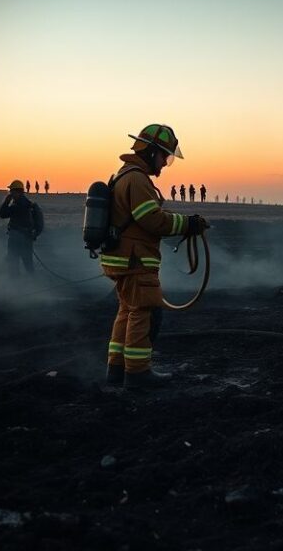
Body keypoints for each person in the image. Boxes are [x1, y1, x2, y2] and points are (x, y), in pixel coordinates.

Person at [101, 124, 207, 390]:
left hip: (123, 259)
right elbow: (151, 219)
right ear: (151, 152)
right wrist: (188, 224)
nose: (164, 164)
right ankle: (137, 373)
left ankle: (116, 369)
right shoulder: (137, 179)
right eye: (164, 157)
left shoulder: (124, 175)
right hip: (135, 260)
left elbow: (145, 216)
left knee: (128, 310)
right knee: (144, 312)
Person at [0, 180, 37, 274]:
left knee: (13, 261)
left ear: (16, 191)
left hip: (17, 237)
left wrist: (6, 202)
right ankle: (32, 279)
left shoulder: (19, 204)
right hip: (26, 237)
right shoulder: (27, 203)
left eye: (11, 191)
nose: (10, 193)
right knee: (28, 262)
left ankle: (16, 280)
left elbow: (2, 214)